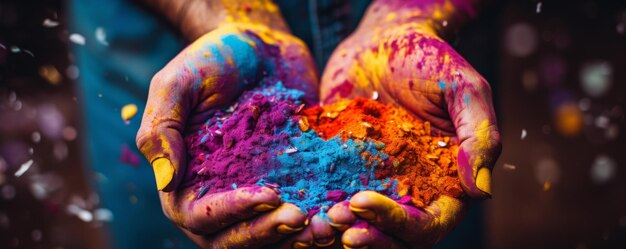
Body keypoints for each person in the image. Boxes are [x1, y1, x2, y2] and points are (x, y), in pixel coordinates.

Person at [70, 0, 501, 248]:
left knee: (421, 225)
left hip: (412, 50)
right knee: (168, 185)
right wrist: (220, 11)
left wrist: (409, 14)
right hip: (172, 28)